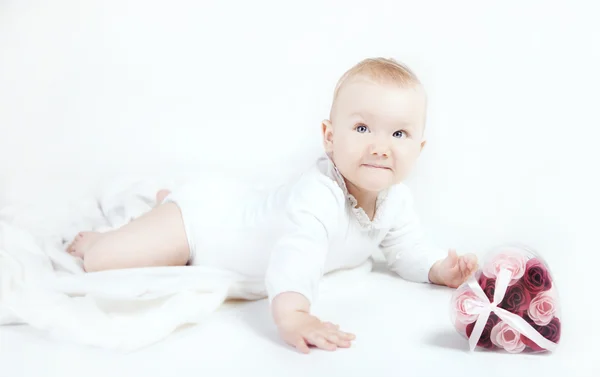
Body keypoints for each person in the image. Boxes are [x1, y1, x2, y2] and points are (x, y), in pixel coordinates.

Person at [67, 57, 479, 354]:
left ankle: (166, 201)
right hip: (205, 226)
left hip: (235, 206)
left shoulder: (396, 201)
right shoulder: (318, 195)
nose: (381, 146)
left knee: (221, 210)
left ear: (419, 148)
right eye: (362, 127)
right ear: (329, 136)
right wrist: (294, 313)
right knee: (104, 261)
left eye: (400, 134)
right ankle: (138, 222)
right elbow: (295, 255)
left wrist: (439, 268)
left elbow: (405, 250)